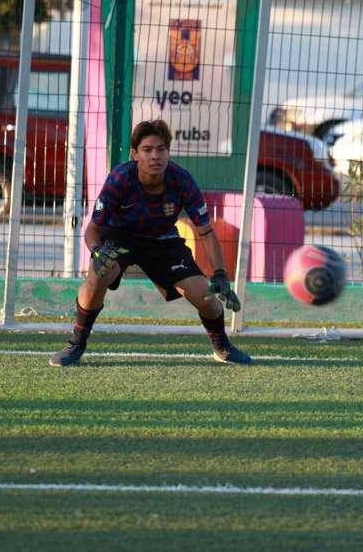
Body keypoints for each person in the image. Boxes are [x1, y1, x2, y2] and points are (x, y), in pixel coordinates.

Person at [49, 119, 252, 367]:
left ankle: (223, 348)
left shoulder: (182, 180)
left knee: (207, 298)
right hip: (119, 238)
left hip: (163, 241)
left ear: (168, 152)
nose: (155, 156)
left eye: (161, 149)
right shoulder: (120, 178)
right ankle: (76, 344)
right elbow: (93, 229)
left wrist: (220, 275)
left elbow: (206, 231)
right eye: (147, 150)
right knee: (98, 274)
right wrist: (97, 251)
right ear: (135, 154)